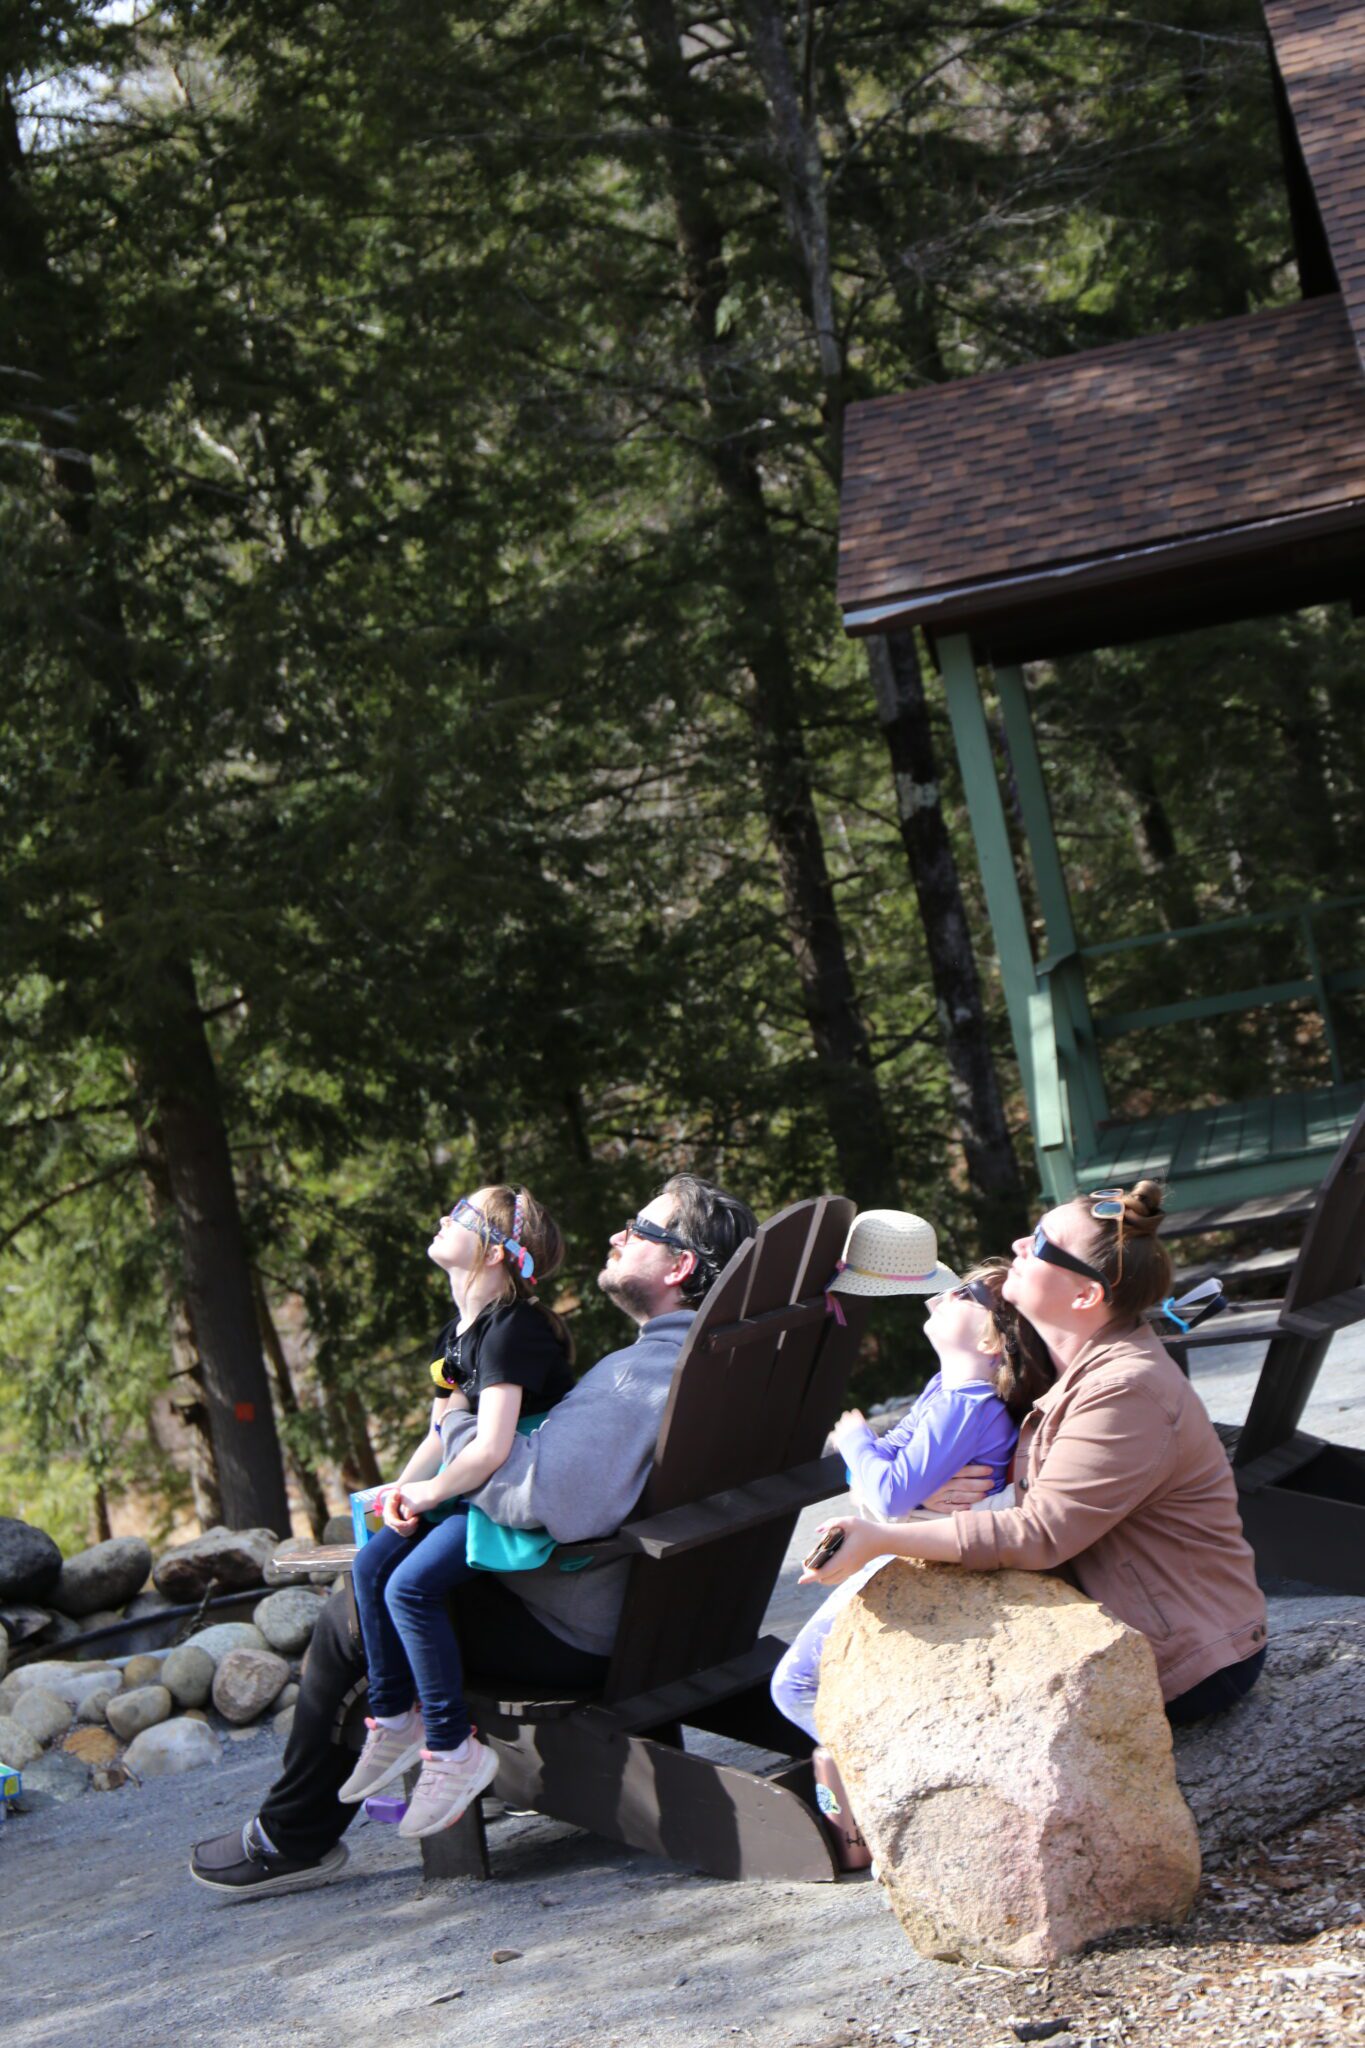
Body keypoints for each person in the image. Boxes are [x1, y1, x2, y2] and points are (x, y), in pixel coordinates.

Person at [189, 1173, 758, 1899]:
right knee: (388, 1584)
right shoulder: (723, 1360)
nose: (617, 1236)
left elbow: (543, 1500)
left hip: (586, 1637)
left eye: (639, 1230)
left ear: (679, 1267)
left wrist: (458, 1419)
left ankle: (295, 1835)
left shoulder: (637, 1374)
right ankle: (372, 1768)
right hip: (678, 1617)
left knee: (354, 1613)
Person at [802, 1180, 1269, 1725]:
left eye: (1043, 1244)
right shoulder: (1064, 1364)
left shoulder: (1125, 1390)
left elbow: (1041, 1533)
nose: (1022, 1245)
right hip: (1120, 1624)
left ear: (1084, 1296)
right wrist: (920, 1492)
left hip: (1190, 1657)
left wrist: (887, 1534)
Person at [340, 1184, 575, 1839]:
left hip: (509, 1496)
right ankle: (393, 1717)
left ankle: (452, 1747)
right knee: (371, 1566)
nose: (445, 1218)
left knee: (411, 1587)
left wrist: (430, 1494)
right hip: (467, 1487)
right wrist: (396, 1492)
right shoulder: (463, 1332)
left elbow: (494, 1447)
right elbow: (444, 1429)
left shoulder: (512, 1330)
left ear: (496, 1252)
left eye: (463, 1217)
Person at [771, 1255, 1049, 1741]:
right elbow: (882, 1480)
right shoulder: (945, 1392)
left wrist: (854, 1439)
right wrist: (881, 1477)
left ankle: (864, 1781)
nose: (940, 1296)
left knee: (794, 1686)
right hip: (908, 1547)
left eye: (965, 1295)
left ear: (991, 1341)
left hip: (916, 1559)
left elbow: (885, 1491)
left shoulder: (966, 1409)